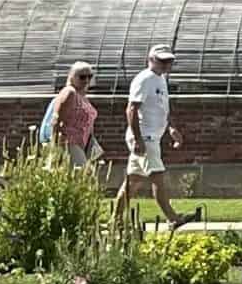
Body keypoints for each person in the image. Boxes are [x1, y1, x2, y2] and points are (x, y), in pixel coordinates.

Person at [113, 46, 200, 227]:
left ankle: (115, 220)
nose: (166, 64)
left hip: (152, 136)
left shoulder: (160, 80)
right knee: (157, 176)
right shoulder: (144, 79)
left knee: (133, 181)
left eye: (169, 61)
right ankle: (173, 219)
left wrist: (171, 128)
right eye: (162, 61)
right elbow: (131, 109)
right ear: (151, 59)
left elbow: (162, 108)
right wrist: (138, 139)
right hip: (145, 137)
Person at [39, 62, 102, 168]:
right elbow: (56, 120)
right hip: (68, 142)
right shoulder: (69, 93)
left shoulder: (81, 96)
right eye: (82, 77)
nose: (86, 80)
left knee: (81, 177)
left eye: (89, 77)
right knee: (82, 176)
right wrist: (55, 148)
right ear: (72, 77)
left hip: (80, 144)